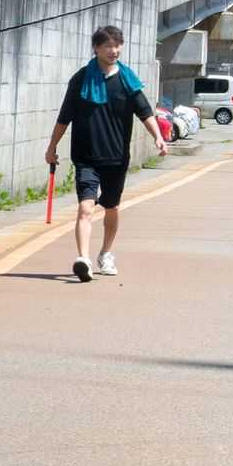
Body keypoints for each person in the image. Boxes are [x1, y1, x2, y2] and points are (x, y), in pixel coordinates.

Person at [45, 24, 170, 282]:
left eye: (117, 45)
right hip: (86, 156)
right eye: (108, 46)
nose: (114, 50)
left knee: (111, 207)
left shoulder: (128, 81)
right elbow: (64, 117)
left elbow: (145, 112)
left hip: (116, 157)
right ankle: (84, 259)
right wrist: (52, 146)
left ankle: (106, 253)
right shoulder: (81, 80)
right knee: (85, 208)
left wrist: (157, 136)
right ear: (96, 48)